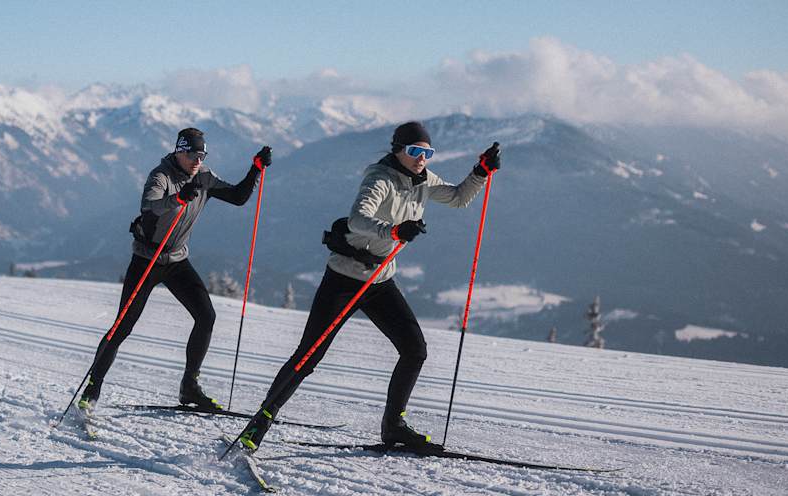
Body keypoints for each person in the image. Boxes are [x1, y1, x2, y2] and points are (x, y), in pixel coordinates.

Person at [234, 121, 500, 451]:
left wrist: (480, 172)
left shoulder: (424, 180)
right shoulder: (380, 178)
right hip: (344, 279)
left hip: (379, 279)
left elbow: (459, 198)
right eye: (415, 151)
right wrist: (393, 231)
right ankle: (258, 424)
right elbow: (359, 218)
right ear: (398, 151)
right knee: (309, 356)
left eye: (427, 153)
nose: (422, 159)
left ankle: (394, 427)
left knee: (415, 349)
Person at [77, 127, 272, 412]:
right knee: (123, 327)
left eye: (201, 154)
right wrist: (178, 199)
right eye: (192, 154)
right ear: (179, 151)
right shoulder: (161, 176)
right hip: (147, 260)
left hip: (177, 261)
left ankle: (189, 387)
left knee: (206, 316)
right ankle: (92, 389)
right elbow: (150, 207)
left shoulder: (203, 176)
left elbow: (238, 197)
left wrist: (255, 169)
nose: (197, 160)